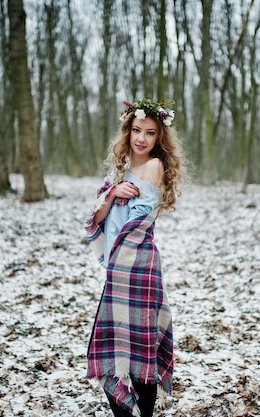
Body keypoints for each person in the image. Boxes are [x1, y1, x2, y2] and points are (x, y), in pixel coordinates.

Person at [85, 98, 186, 417]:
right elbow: (98, 218)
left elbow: (136, 221)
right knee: (117, 349)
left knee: (139, 352)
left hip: (139, 265)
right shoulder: (121, 169)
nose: (141, 138)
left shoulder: (154, 166)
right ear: (127, 131)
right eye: (136, 130)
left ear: (159, 137)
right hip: (118, 268)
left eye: (150, 132)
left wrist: (117, 193)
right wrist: (113, 193)